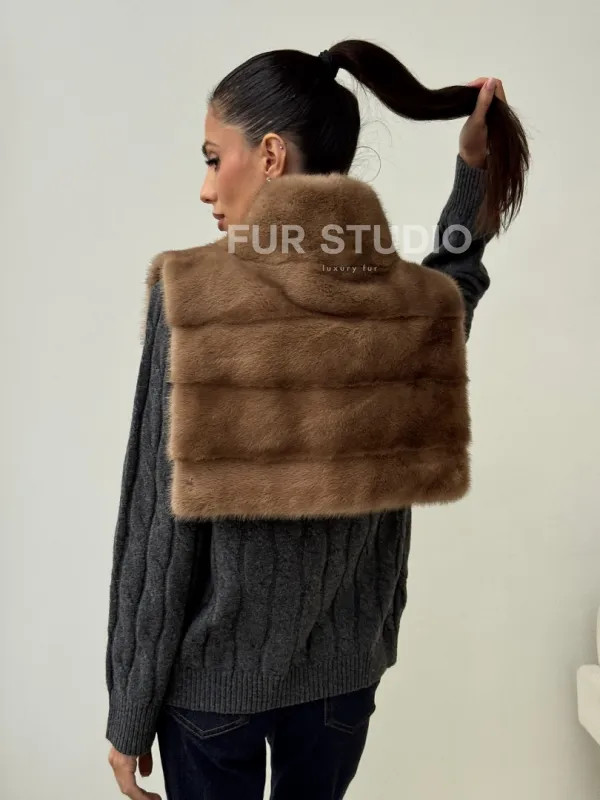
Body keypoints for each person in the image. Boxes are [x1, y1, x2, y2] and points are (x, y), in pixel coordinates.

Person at [105, 39, 529, 800]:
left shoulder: (192, 298)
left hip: (213, 689)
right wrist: (472, 172)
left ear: (270, 155)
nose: (206, 187)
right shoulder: (403, 305)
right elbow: (456, 275)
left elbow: (156, 525)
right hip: (342, 679)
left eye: (213, 158)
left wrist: (129, 710)